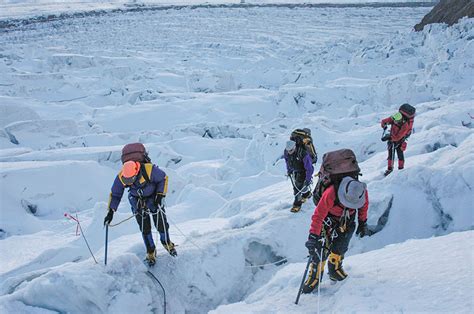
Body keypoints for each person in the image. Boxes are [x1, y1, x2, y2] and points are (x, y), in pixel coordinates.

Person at [104, 154, 177, 266]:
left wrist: (160, 195)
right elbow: (116, 194)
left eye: (131, 180)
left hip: (154, 198)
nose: (129, 182)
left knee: (161, 223)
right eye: (127, 181)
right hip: (137, 201)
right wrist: (111, 211)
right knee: (144, 227)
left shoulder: (149, 170)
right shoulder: (122, 176)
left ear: (136, 171)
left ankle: (167, 244)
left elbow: (163, 178)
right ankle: (150, 251)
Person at [302, 176, 369, 293]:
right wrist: (313, 236)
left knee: (341, 244)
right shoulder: (331, 192)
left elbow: (364, 206)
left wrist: (362, 222)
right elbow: (318, 216)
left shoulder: (361, 192)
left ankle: (335, 268)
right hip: (328, 218)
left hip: (347, 218)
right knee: (320, 247)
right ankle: (314, 276)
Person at [381, 105, 414, 176]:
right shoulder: (396, 117)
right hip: (392, 139)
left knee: (400, 155)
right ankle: (390, 169)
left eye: (396, 121)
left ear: (401, 120)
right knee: (390, 155)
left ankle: (400, 170)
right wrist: (384, 125)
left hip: (400, 141)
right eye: (394, 120)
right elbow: (385, 121)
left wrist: (389, 137)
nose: (394, 122)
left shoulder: (405, 126)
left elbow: (398, 137)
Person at [284, 139, 314, 213]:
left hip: (304, 171)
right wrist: (289, 170)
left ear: (294, 147)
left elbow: (309, 168)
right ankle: (307, 194)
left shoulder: (303, 154)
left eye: (291, 150)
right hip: (295, 170)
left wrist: (308, 179)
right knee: (299, 186)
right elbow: (287, 161)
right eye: (288, 150)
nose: (289, 152)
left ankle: (297, 205)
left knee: (297, 188)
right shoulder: (287, 151)